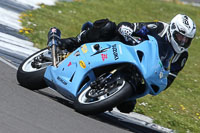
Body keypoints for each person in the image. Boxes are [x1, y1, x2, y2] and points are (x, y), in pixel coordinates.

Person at [47, 14, 196, 113]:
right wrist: (129, 31)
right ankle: (74, 41)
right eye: (180, 36)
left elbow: (169, 78)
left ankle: (106, 89)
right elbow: (134, 27)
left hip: (140, 71)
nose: (182, 41)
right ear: (172, 30)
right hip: (127, 49)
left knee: (127, 107)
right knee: (108, 27)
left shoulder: (181, 56)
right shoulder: (159, 28)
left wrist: (157, 82)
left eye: (186, 40)